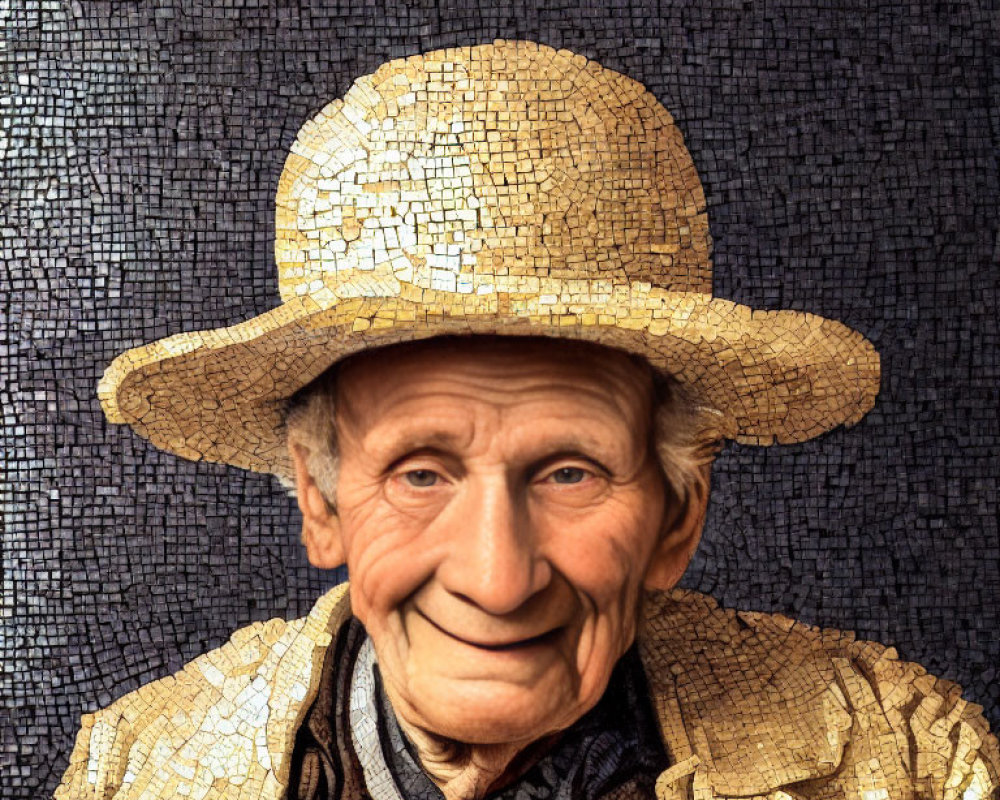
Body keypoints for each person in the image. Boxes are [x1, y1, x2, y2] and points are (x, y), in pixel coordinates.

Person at [57, 40, 997, 800]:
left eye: (569, 474)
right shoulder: (133, 773)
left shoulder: (913, 767)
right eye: (421, 473)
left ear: (678, 515)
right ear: (322, 499)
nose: (498, 580)